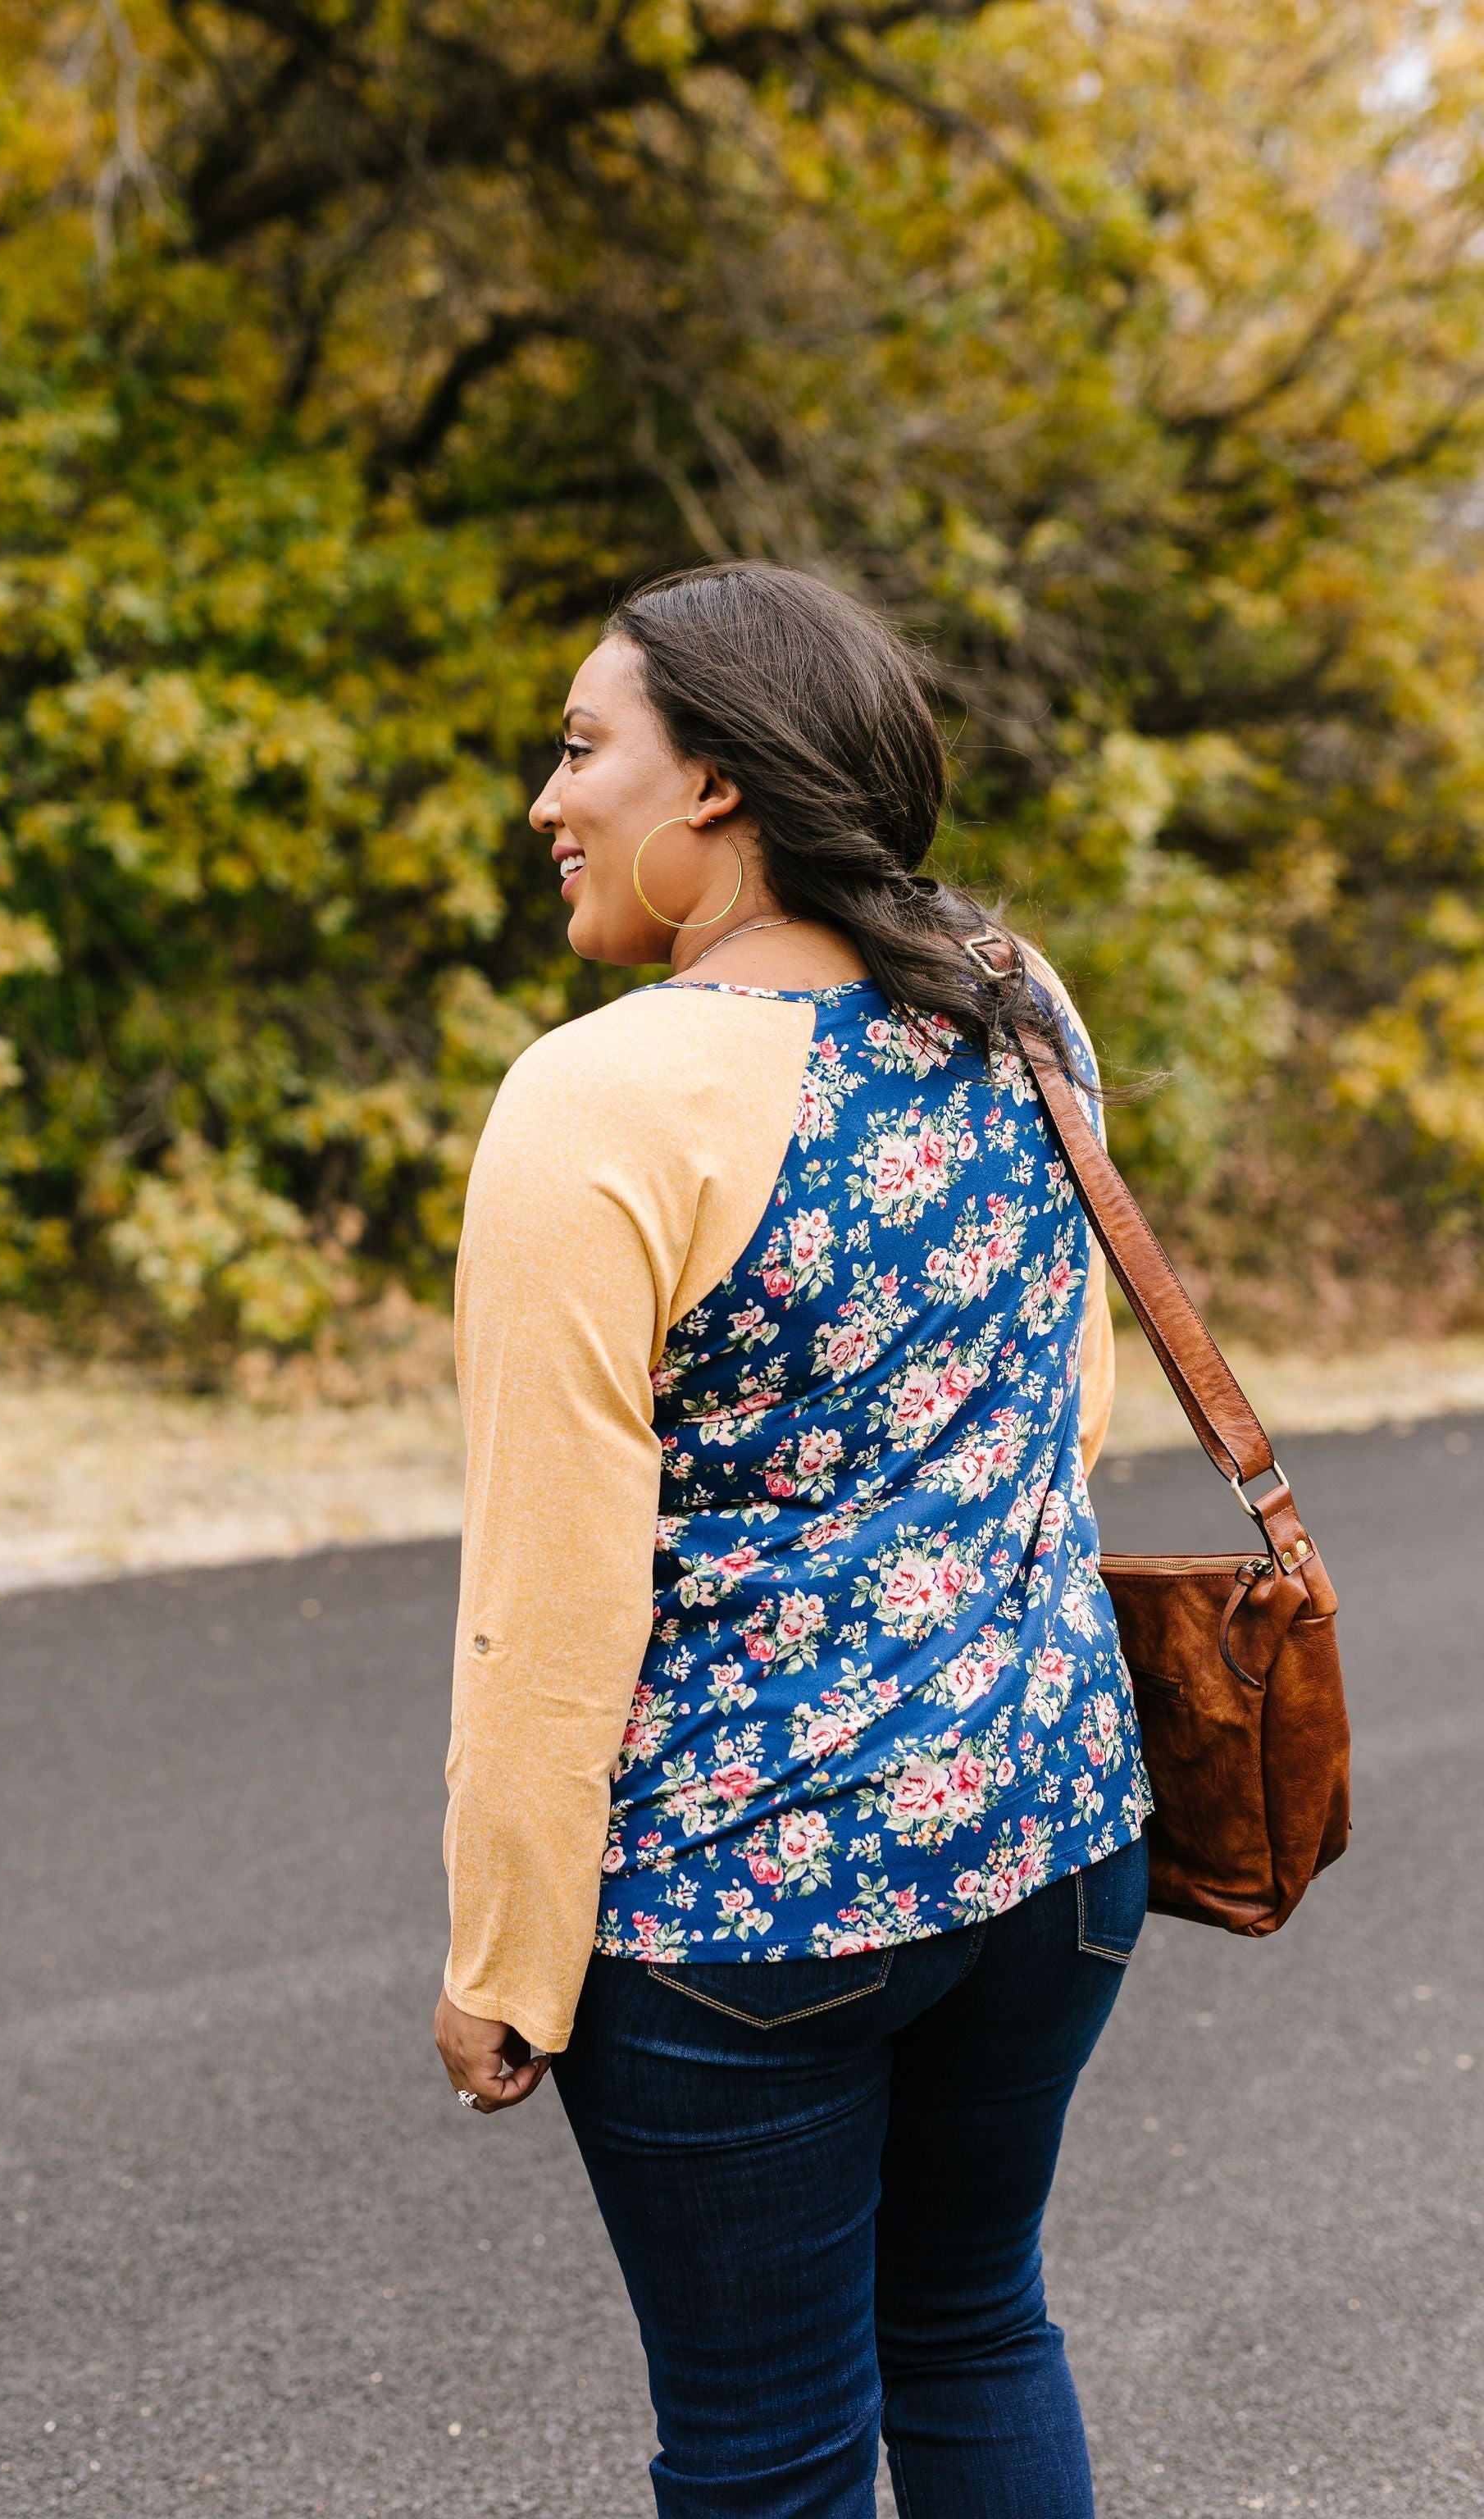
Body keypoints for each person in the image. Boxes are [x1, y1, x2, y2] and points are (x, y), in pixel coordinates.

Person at [435, 560, 1152, 2519]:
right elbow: (1062, 1404)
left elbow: (550, 1587)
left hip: (742, 1918)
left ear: (720, 790)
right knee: (979, 2331)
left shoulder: (599, 1097)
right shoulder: (1012, 1002)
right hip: (1053, 1838)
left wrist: (506, 1947)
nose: (547, 796)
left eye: (586, 748)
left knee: (768, 2452)